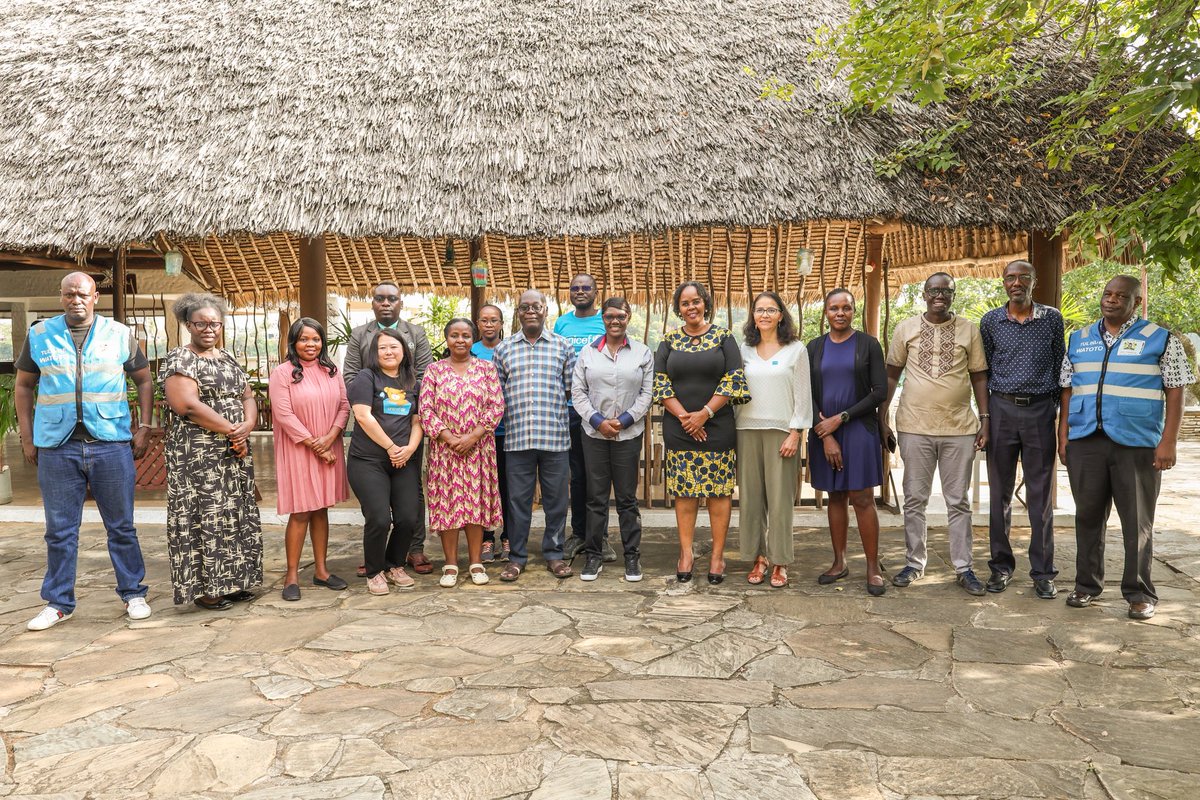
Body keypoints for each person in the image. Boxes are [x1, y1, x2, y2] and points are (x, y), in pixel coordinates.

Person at [15, 272, 154, 630]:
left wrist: (144, 426)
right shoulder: (40, 334)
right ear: (61, 297)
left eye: (82, 294)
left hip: (110, 443)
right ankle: (59, 602)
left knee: (121, 526)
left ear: (95, 297)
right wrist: (28, 438)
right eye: (69, 294)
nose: (76, 300)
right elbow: (24, 386)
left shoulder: (119, 334)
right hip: (57, 446)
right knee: (59, 531)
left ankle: (133, 593)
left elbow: (143, 379)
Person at [1059, 275, 1195, 621]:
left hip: (1136, 443)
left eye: (1121, 296)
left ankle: (1139, 594)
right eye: (1107, 293)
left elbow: (1176, 389)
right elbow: (1067, 389)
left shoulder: (1160, 339)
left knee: (1137, 522)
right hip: (1086, 440)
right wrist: (1063, 436)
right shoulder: (1079, 338)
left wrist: (1168, 441)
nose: (1111, 300)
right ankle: (1086, 586)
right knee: (1087, 517)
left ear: (1136, 302)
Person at [882, 272, 990, 596]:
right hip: (914, 427)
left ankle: (964, 568)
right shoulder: (906, 328)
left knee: (958, 501)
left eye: (946, 290)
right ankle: (914, 563)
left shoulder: (969, 329)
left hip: (959, 428)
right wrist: (882, 417)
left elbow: (979, 376)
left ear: (953, 295)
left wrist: (984, 419)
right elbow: (891, 374)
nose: (939, 295)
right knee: (915, 499)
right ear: (924, 294)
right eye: (933, 290)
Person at [161, 293, 263, 610]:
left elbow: (247, 396)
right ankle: (207, 590)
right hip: (197, 455)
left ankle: (233, 582)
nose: (209, 329)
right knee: (204, 515)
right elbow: (187, 406)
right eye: (201, 324)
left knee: (233, 513)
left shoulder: (227, 358)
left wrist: (248, 424)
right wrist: (233, 430)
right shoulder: (180, 359)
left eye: (215, 324)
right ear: (188, 325)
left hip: (232, 452)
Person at [654, 281, 750, 584]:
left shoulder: (724, 338)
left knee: (719, 493)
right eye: (685, 303)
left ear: (705, 304)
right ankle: (685, 553)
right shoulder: (668, 341)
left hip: (717, 427)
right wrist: (686, 418)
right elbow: (660, 383)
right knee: (684, 493)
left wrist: (705, 414)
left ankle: (717, 556)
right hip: (680, 427)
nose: (691, 307)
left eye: (696, 301)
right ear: (678, 309)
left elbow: (734, 379)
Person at [979, 260, 1065, 599]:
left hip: (1040, 411)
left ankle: (1043, 572)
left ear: (1034, 281)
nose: (1017, 283)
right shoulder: (991, 321)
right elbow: (984, 370)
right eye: (1010, 278)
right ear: (1003, 283)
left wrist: (1051, 410)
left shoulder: (1052, 318)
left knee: (1039, 496)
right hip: (1001, 409)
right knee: (999, 494)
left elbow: (1060, 366)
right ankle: (1000, 567)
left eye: (1023, 277)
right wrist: (986, 417)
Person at [343, 282, 434, 576]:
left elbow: (425, 375)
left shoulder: (416, 333)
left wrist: (409, 402)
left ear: (400, 303)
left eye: (391, 299)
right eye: (380, 299)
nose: (385, 303)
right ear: (372, 303)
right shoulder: (360, 335)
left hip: (407, 433)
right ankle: (375, 556)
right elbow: (350, 374)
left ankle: (413, 548)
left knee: (411, 499)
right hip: (372, 431)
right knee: (377, 507)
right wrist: (369, 397)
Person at [807, 289, 888, 596]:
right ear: (825, 312)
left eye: (846, 308)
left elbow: (879, 392)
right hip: (823, 431)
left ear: (854, 311)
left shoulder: (868, 344)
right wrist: (826, 433)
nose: (840, 313)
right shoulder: (814, 347)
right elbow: (806, 393)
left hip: (858, 429)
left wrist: (840, 418)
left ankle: (872, 567)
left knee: (862, 497)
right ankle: (839, 562)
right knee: (836, 496)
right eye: (833, 308)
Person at [493, 290, 577, 582]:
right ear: (518, 313)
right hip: (517, 439)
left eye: (536, 306)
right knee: (517, 502)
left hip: (555, 438)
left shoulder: (563, 346)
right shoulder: (503, 349)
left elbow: (570, 389)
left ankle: (554, 555)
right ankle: (517, 558)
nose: (530, 311)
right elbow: (497, 393)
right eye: (524, 307)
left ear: (545, 311)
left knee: (556, 501)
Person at [571, 297, 654, 582]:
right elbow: (578, 392)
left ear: (628, 317)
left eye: (620, 316)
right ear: (603, 319)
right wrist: (598, 421)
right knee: (595, 498)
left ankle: (632, 556)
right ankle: (594, 555)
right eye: (609, 316)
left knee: (627, 499)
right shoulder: (588, 353)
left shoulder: (642, 352)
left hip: (628, 434)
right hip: (594, 434)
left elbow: (647, 393)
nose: (614, 321)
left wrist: (625, 420)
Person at [268, 317, 351, 601]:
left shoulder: (332, 370)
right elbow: (283, 414)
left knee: (321, 509)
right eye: (304, 339)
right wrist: (317, 445)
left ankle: (322, 571)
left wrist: (330, 437)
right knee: (301, 510)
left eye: (315, 339)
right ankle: (291, 575)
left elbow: (344, 406)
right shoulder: (282, 373)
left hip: (329, 444)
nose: (310, 344)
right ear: (293, 342)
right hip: (299, 449)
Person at [420, 318, 505, 588]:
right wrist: (448, 437)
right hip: (445, 452)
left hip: (478, 450)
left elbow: (496, 406)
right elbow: (425, 409)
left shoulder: (486, 369)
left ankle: (476, 562)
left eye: (466, 335)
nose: (460, 340)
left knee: (475, 504)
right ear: (447, 339)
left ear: (472, 339)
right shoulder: (433, 371)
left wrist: (473, 437)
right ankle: (451, 564)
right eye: (454, 335)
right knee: (449, 505)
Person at [736, 291, 812, 589]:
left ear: (781, 315)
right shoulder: (744, 350)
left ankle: (780, 560)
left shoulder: (796, 350)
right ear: (753, 316)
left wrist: (796, 432)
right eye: (759, 310)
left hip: (783, 433)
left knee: (780, 502)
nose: (764, 315)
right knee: (751, 500)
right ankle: (759, 557)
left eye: (771, 310)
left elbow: (803, 395)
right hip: (746, 430)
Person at [346, 329, 424, 595]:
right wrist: (391, 447)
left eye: (394, 346)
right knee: (379, 518)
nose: (389, 352)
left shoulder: (412, 381)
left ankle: (394, 564)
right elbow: (363, 416)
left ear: (404, 351)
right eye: (382, 348)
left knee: (408, 517)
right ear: (374, 353)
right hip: (368, 460)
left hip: (403, 460)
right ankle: (374, 571)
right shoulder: (366, 377)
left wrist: (409, 449)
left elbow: (417, 421)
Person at [555, 273, 614, 564]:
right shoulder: (561, 324)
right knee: (577, 476)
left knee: (598, 476)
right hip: (570, 410)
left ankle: (600, 536)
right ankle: (579, 533)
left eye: (586, 288)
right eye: (575, 288)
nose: (580, 292)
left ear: (596, 292)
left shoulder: (605, 321)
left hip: (600, 412)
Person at [472, 304, 510, 562]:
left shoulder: (509, 349)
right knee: (484, 488)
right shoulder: (470, 350)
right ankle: (487, 538)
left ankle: (508, 536)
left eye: (493, 320)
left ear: (501, 324)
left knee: (507, 486)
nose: (489, 325)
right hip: (478, 434)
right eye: (484, 320)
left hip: (507, 430)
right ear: (478, 323)